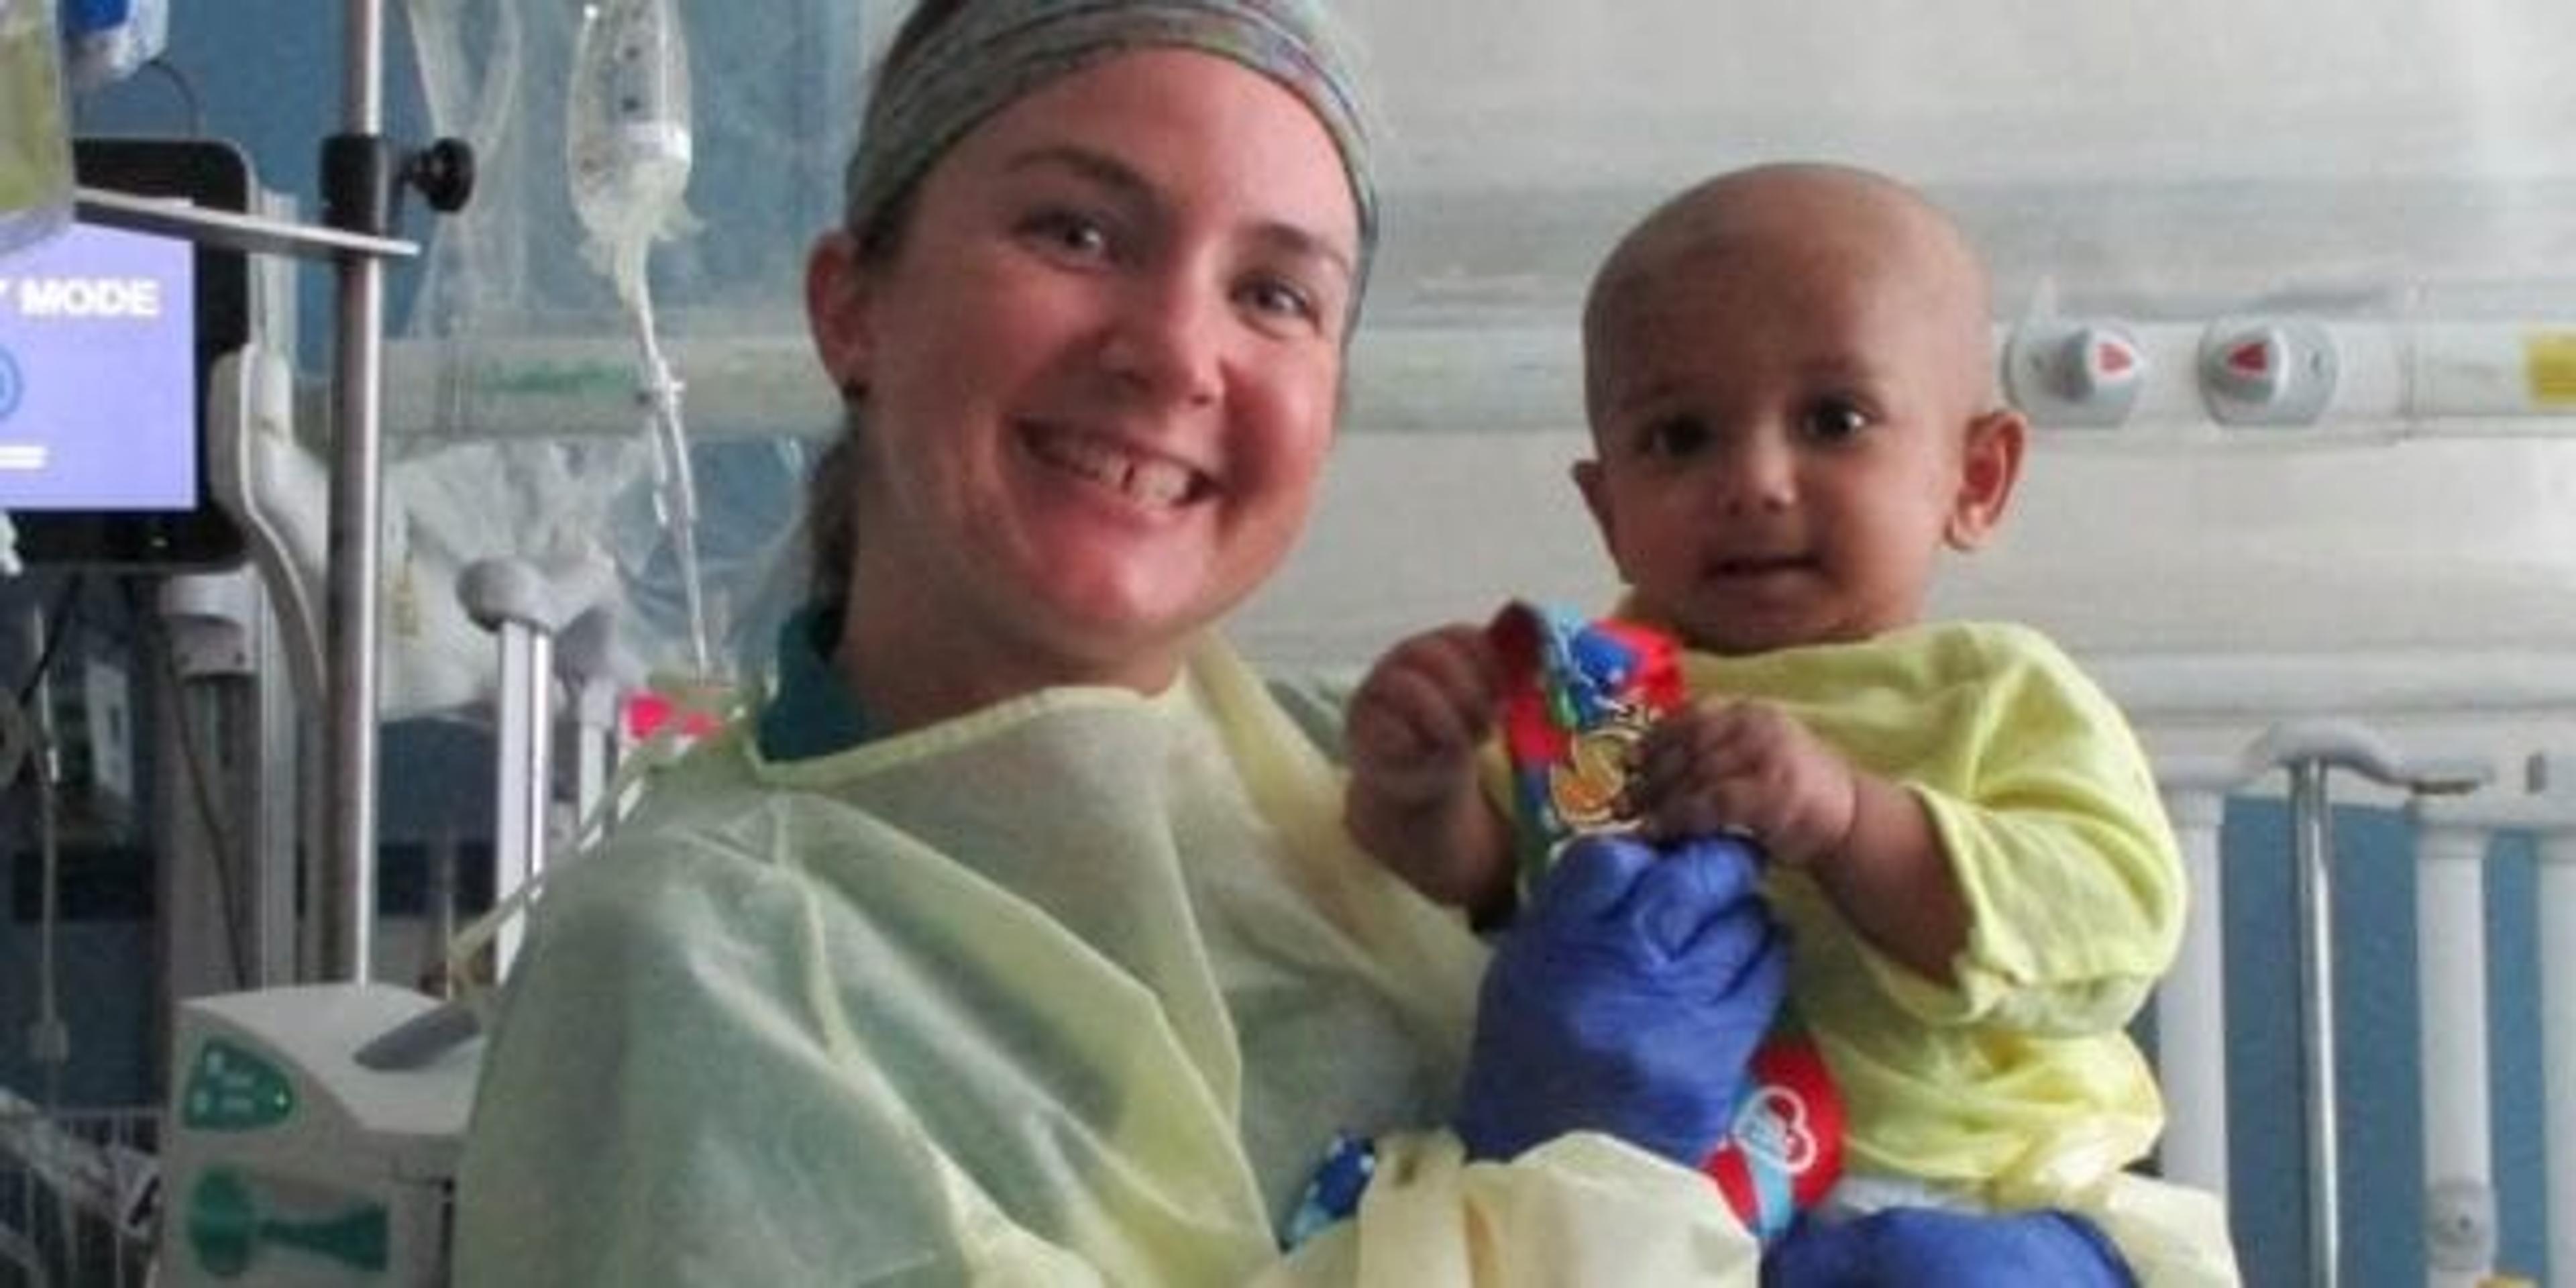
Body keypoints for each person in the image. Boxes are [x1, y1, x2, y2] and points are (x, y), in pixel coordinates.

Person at [453, 4, 1815, 1283]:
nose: (1175, 353)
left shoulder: (1399, 786)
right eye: (1079, 233)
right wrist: (1565, 1181)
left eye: (1277, 295)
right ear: (853, 306)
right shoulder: (706, 967)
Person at [1342, 162, 2242, 1283]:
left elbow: (2110, 922)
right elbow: (1493, 894)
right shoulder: (1603, 693)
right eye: (1679, 437)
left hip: (1980, 1197)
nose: (1756, 480)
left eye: (1834, 419)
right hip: (1678, 1220)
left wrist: (1851, 821)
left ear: (1976, 477)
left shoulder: (1996, 692)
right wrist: (1414, 789)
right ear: (1607, 508)